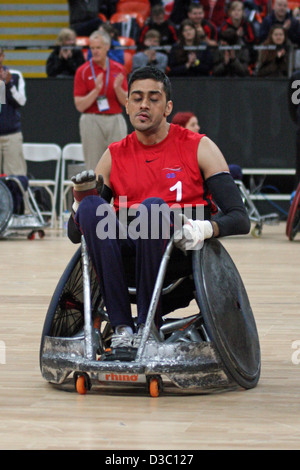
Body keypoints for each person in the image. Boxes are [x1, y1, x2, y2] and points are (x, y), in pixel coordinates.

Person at [68, 66, 250, 350]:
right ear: (126, 105)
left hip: (178, 257)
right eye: (137, 98)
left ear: (167, 107)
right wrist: (80, 202)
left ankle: (146, 324)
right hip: (123, 259)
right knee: (92, 206)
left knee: (153, 208)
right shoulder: (114, 155)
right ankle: (122, 327)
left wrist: (205, 228)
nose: (144, 104)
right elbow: (74, 232)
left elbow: (240, 219)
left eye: (153, 98)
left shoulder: (200, 147)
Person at [73, 29, 128, 171]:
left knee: (120, 163)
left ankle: (119, 194)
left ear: (107, 47)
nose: (94, 51)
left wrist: (117, 88)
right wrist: (96, 91)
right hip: (92, 119)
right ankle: (95, 194)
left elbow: (127, 102)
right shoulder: (83, 71)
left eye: (98, 48)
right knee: (94, 165)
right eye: (92, 48)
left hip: (115, 118)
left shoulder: (119, 69)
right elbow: (79, 105)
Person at [0, 47, 27, 176]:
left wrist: (9, 84)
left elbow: (21, 102)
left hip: (11, 135)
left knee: (15, 177)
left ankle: (18, 197)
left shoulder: (15, 75)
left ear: (2, 57)